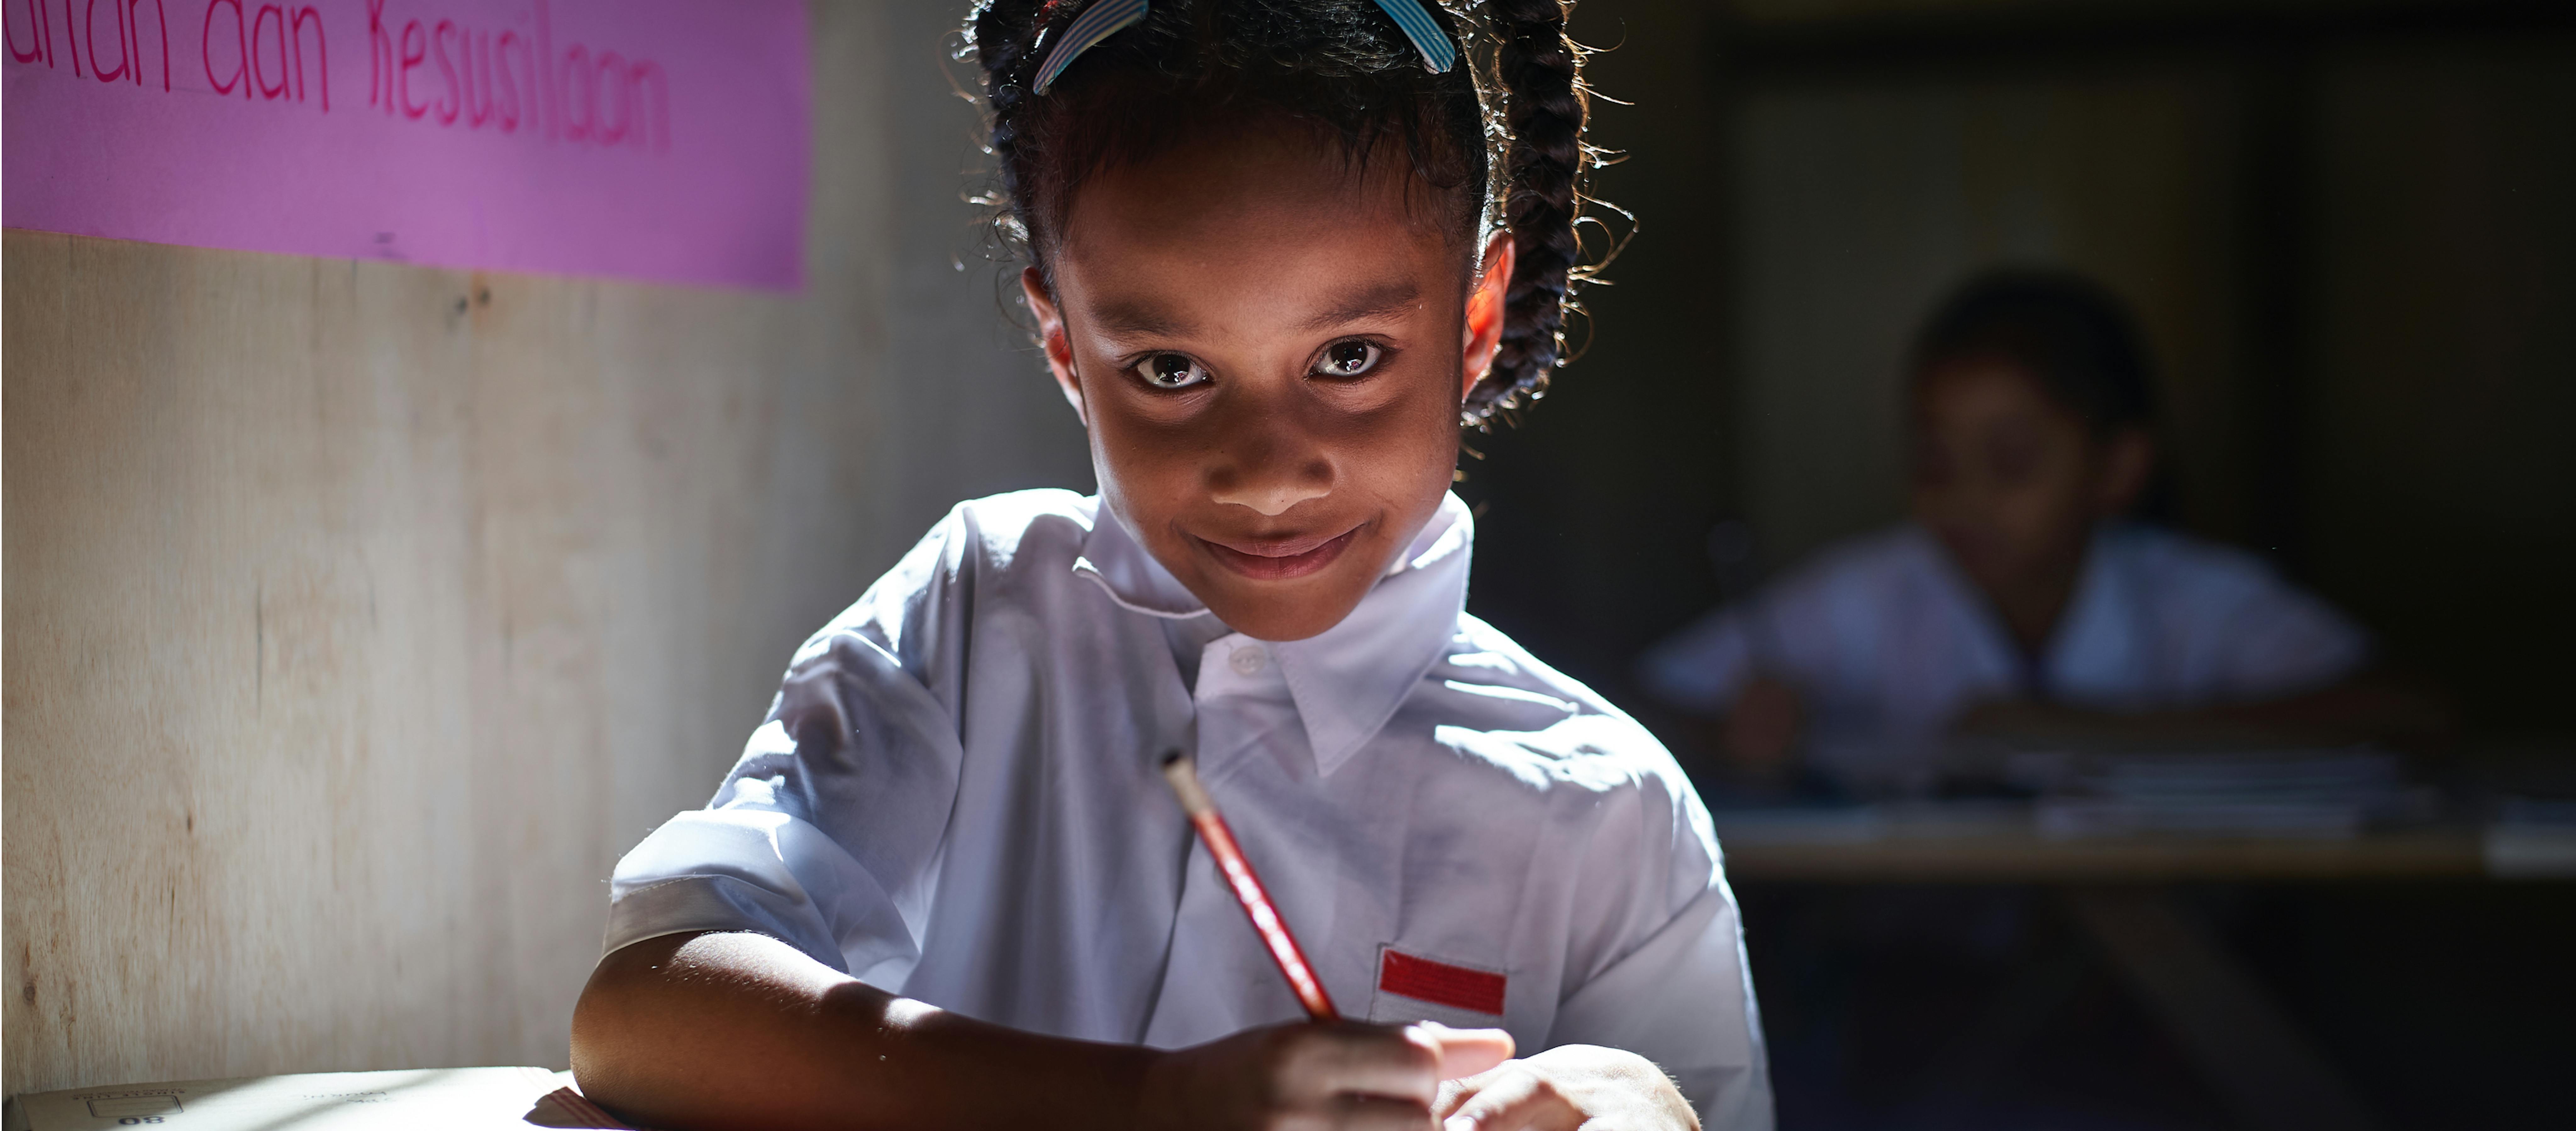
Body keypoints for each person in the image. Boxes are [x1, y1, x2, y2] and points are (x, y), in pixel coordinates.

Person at [569, 3, 1769, 1129]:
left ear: (1473, 321)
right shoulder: (980, 612)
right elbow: (641, 1012)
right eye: (1170, 371)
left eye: (1349, 355)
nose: (1264, 472)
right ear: (1066, 349)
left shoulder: (1612, 818)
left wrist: (1645, 1100)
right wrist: (1142, 1106)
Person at [1641, 270, 2412, 796]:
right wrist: (1730, 731)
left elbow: (2402, 713)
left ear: (2117, 468)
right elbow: (1641, 705)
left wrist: (2069, 731)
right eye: (1934, 461)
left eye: (2010, 462)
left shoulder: (2190, 597)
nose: (1964, 498)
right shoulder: (1877, 590)